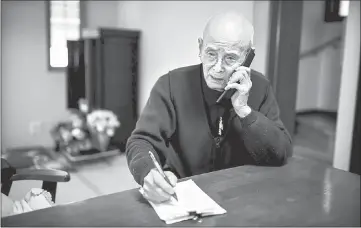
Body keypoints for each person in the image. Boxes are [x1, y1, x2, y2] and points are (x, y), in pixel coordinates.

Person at [126, 11, 292, 203]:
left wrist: (245, 111)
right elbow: (140, 141)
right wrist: (148, 172)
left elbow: (281, 153)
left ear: (248, 56)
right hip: (183, 197)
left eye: (230, 58)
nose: (218, 67)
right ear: (200, 47)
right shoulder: (170, 85)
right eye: (211, 54)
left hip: (241, 196)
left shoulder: (260, 87)